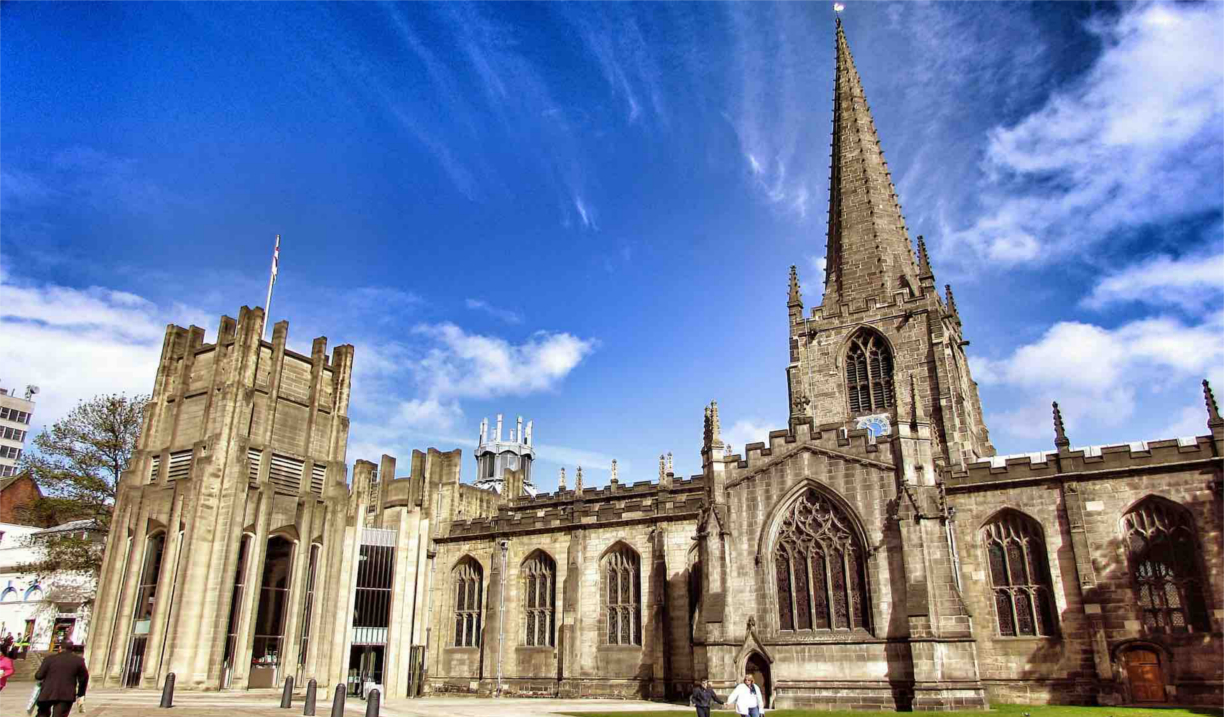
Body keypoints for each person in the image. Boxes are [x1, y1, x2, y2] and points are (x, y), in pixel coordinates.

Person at [33, 640, 89, 717]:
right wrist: (81, 694)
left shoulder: (49, 659)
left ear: (60, 647)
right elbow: (84, 678)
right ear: (72, 648)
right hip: (66, 694)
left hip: (47, 692)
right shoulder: (78, 661)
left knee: (42, 714)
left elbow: (38, 676)